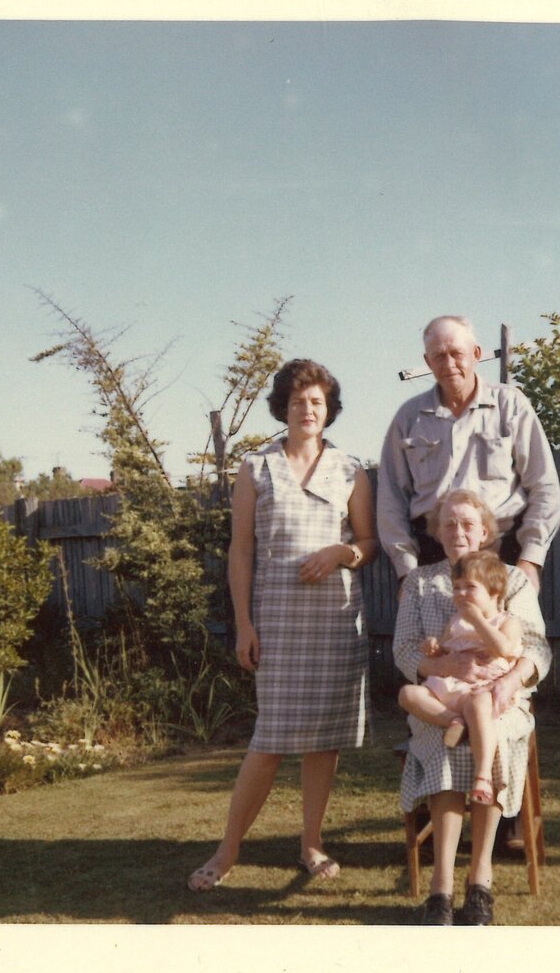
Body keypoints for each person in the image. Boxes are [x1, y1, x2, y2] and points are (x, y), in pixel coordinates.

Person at [187, 359, 377, 891]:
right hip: (277, 619)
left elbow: (369, 543)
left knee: (325, 742)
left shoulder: (351, 471)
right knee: (268, 741)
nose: (307, 409)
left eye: (316, 401)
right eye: (298, 401)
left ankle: (311, 843)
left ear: (328, 409)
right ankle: (227, 852)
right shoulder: (255, 468)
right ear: (284, 408)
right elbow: (241, 550)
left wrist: (342, 552)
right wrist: (244, 624)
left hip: (336, 622)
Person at [393, 488, 551, 925]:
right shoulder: (422, 583)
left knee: (495, 737)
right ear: (437, 531)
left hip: (500, 696)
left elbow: (536, 648)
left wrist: (511, 680)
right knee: (443, 743)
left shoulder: (512, 579)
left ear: (485, 531)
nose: (457, 531)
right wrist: (444, 660)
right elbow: (405, 652)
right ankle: (441, 888)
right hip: (443, 696)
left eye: (467, 524)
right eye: (448, 523)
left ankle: (479, 881)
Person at [377, 314, 560, 593]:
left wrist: (530, 562)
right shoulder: (408, 418)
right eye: (439, 356)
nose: (449, 364)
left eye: (456, 354)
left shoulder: (510, 406)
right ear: (427, 362)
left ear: (476, 354)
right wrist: (406, 571)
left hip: (502, 555)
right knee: (436, 639)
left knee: (505, 637)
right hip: (431, 560)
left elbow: (544, 486)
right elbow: (390, 501)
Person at [398, 549, 522, 806]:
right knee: (408, 694)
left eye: (470, 587)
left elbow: (505, 649)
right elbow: (444, 648)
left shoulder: (507, 621)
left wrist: (477, 620)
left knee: (479, 705)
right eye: (456, 587)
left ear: (494, 593)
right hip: (450, 687)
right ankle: (454, 721)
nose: (461, 594)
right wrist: (435, 647)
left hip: (481, 689)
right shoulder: (455, 621)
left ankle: (483, 775)